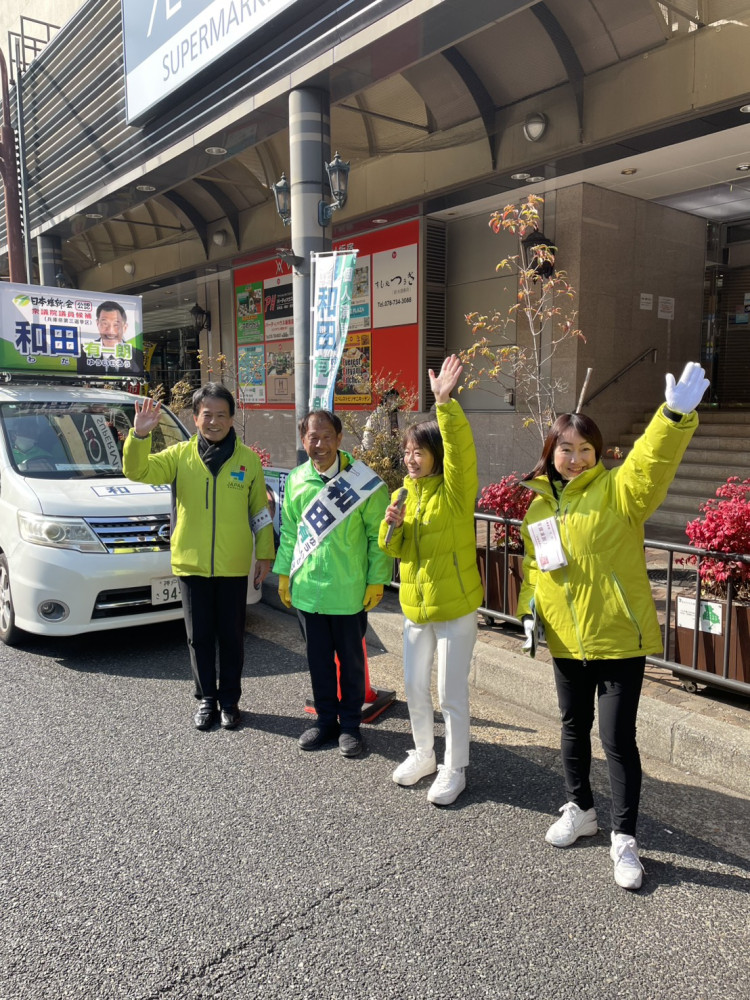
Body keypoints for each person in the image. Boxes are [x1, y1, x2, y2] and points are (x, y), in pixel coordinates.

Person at [517, 361, 709, 890]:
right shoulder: (537, 509)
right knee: (572, 728)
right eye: (566, 449)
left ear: (597, 452)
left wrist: (671, 418)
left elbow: (649, 467)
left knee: (617, 738)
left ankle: (625, 838)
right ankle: (580, 808)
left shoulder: (620, 493)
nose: (575, 458)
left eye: (584, 449)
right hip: (565, 640)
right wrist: (528, 614)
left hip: (618, 638)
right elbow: (536, 570)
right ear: (550, 454)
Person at [123, 384, 274, 731]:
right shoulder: (179, 456)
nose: (215, 421)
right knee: (199, 636)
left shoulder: (247, 460)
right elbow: (138, 471)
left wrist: (264, 554)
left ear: (232, 418)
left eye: (222, 414)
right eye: (207, 415)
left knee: (232, 637)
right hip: (191, 564)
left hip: (233, 564)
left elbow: (260, 512)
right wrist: (140, 435)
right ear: (195, 418)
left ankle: (231, 701)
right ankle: (207, 698)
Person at [379, 355, 483, 806]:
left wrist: (445, 404)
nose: (411, 458)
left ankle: (453, 767)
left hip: (455, 607)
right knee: (415, 686)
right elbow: (395, 550)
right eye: (407, 452)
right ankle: (423, 753)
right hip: (416, 608)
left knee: (449, 693)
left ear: (436, 454)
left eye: (418, 451)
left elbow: (462, 453)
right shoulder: (404, 492)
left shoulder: (456, 492)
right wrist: (393, 527)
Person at [273, 409, 392, 758]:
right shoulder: (296, 479)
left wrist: (376, 580)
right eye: (313, 437)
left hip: (349, 589)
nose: (320, 444)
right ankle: (326, 721)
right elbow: (292, 531)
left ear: (340, 439)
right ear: (303, 439)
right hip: (308, 589)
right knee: (318, 660)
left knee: (351, 662)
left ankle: (351, 726)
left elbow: (377, 537)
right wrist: (285, 574)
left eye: (327, 437)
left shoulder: (363, 482)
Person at [78, 301, 144, 375]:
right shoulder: (82, 352)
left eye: (116, 324)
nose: (110, 331)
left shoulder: (137, 354)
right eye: (105, 323)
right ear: (97, 324)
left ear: (125, 327)